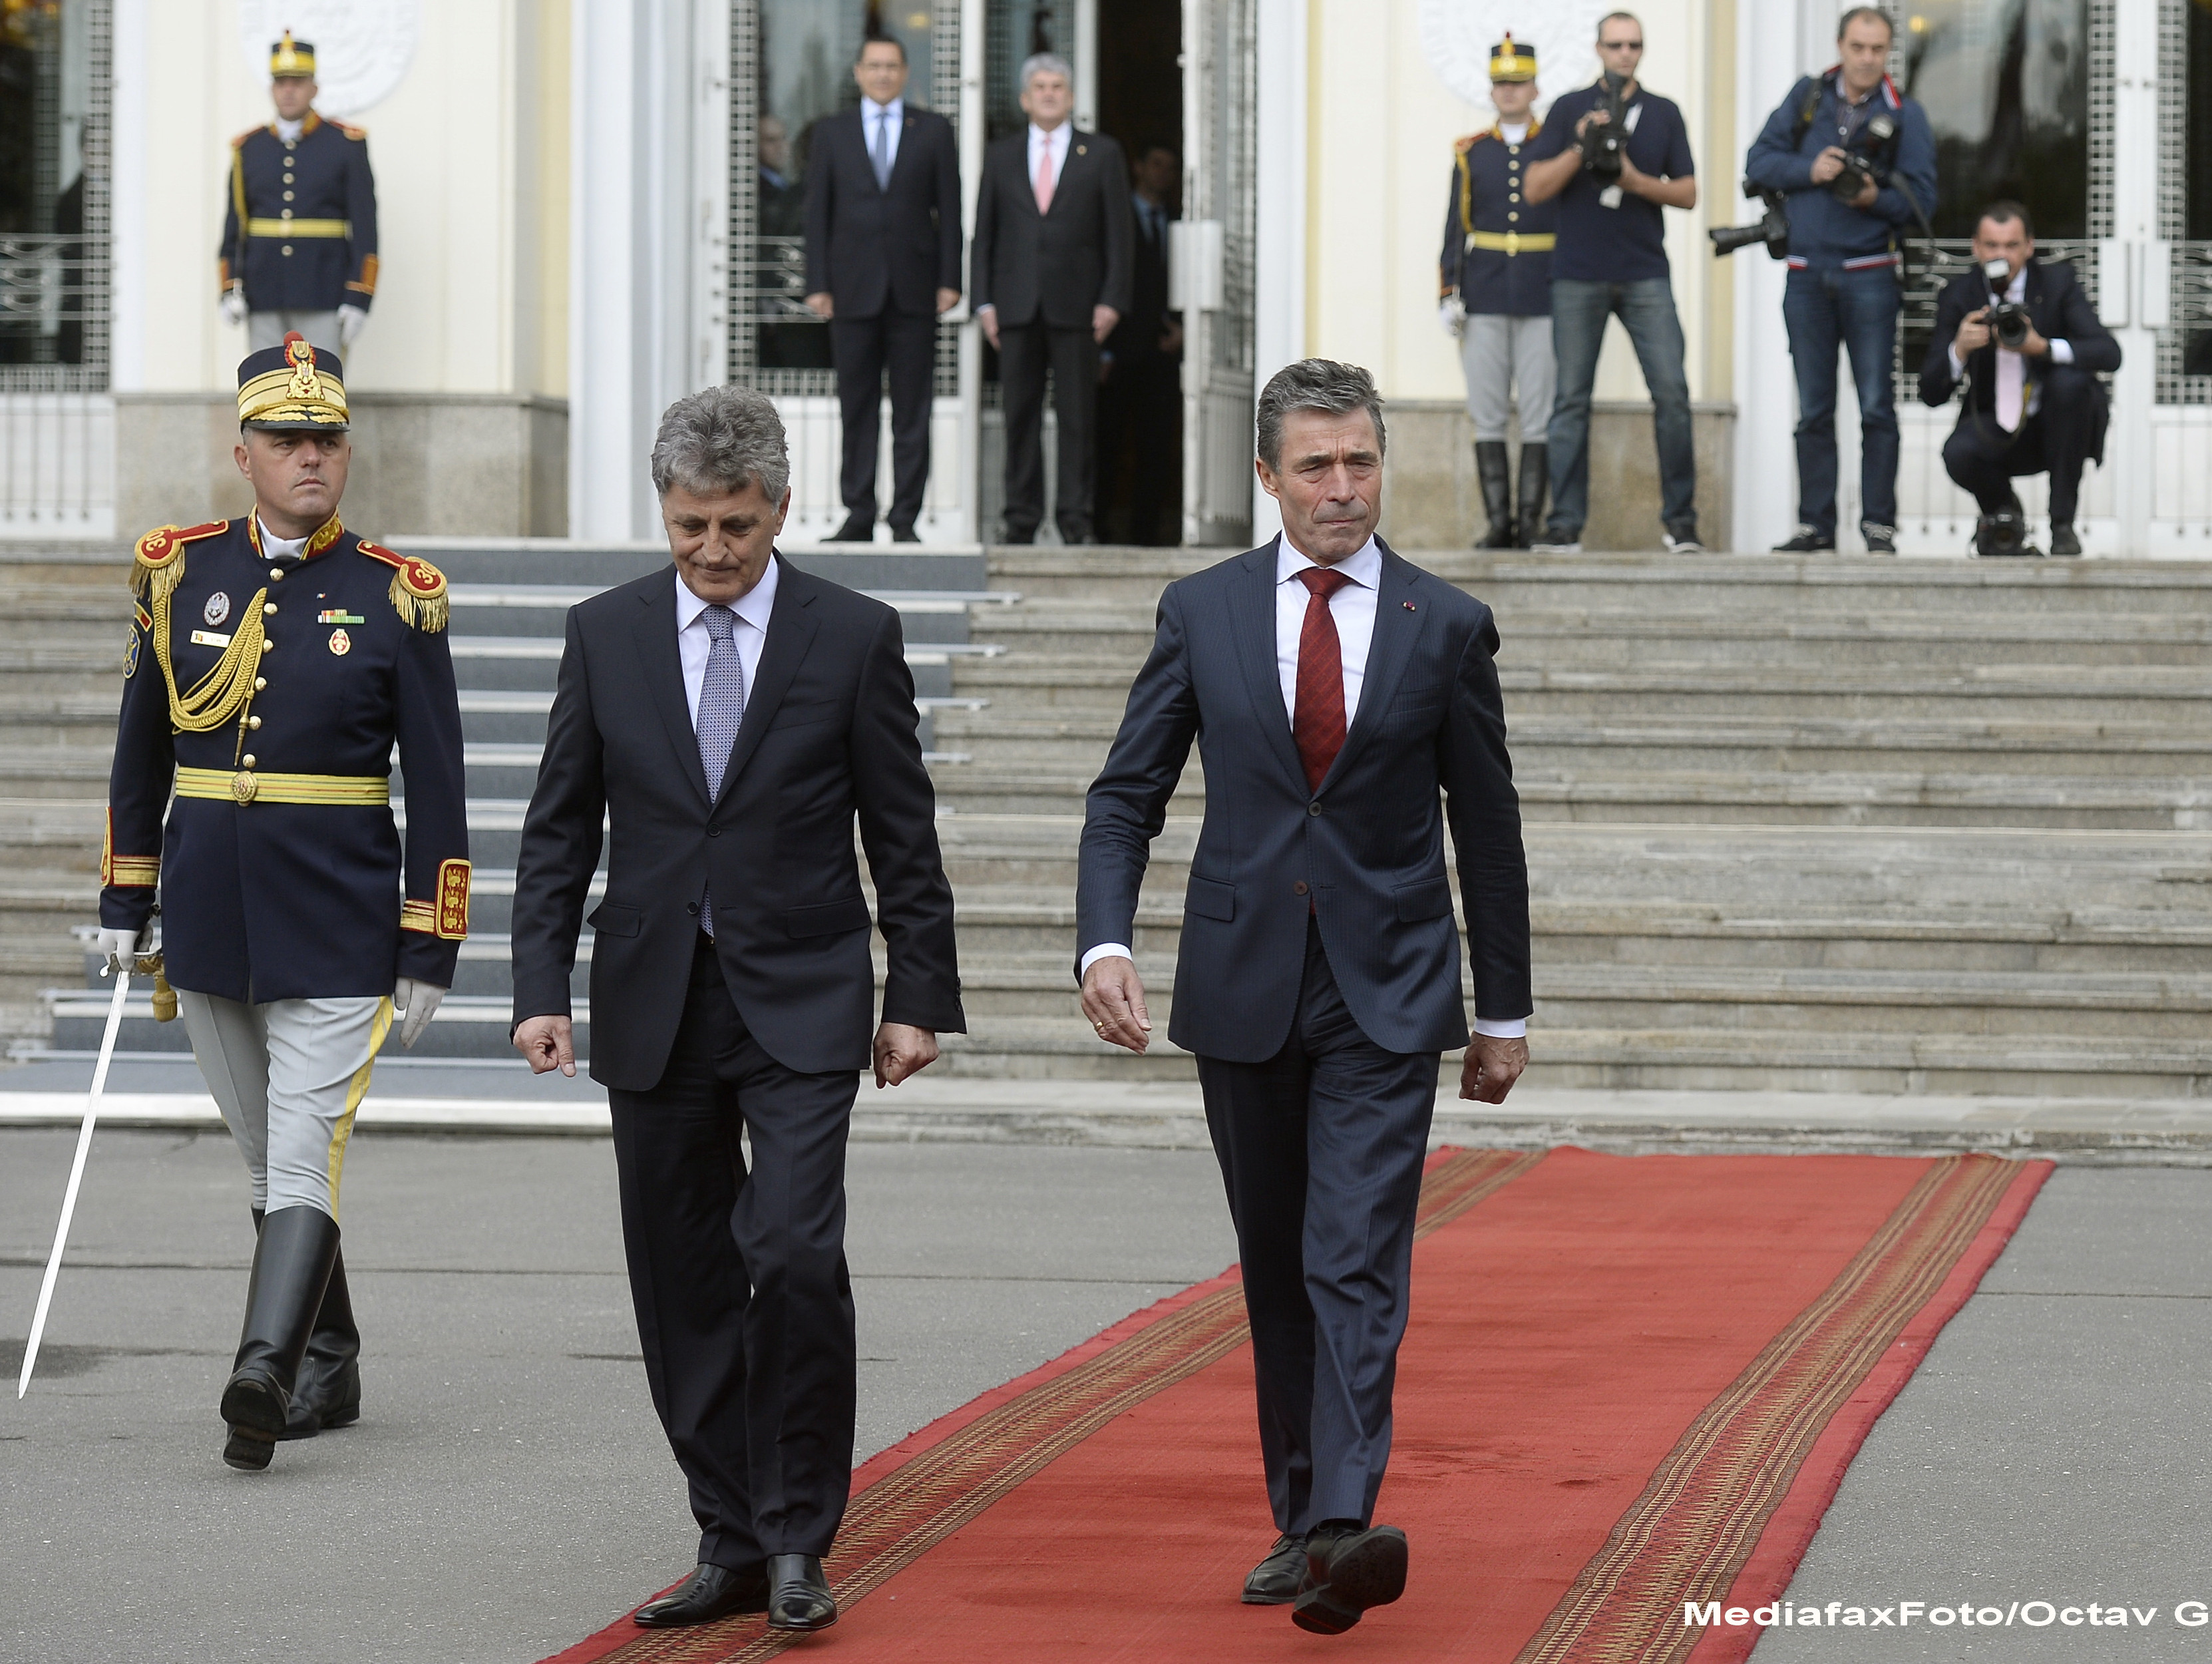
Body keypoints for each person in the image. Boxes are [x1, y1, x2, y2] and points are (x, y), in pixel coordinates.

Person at [1075, 359, 1532, 1634]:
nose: (1343, 489)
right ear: (1268, 477)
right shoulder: (1203, 611)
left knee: (1354, 1256)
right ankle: (1299, 1522)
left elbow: (1487, 834)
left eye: (1362, 463)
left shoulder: (1446, 625)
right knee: (1278, 1266)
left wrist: (1506, 1009)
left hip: (1390, 990)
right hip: (1242, 984)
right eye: (1318, 467)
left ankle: (1342, 1524)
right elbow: (1126, 798)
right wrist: (1101, 943)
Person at [509, 386, 964, 1633]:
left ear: (780, 511)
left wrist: (919, 991)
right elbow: (560, 831)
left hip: (806, 996)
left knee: (796, 1255)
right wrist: (537, 989)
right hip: (654, 999)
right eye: (691, 525)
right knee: (682, 1276)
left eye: (738, 528)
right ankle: (732, 1537)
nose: (713, 553)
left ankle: (805, 1536)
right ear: (664, 509)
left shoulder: (853, 635)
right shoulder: (603, 634)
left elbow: (902, 832)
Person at [100, 333, 466, 1470]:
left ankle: (263, 1369)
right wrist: (127, 900)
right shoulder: (180, 571)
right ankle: (332, 1355)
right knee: (268, 1160)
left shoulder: (395, 597)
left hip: (338, 916)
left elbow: (441, 784)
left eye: (327, 440)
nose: (311, 457)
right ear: (244, 450)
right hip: (210, 910)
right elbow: (141, 753)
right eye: (287, 440)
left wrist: (429, 941)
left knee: (306, 1153)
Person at [1744, 5, 1938, 554]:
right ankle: (1816, 526)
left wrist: (1872, 195)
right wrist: (1814, 171)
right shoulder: (1808, 97)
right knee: (1814, 410)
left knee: (1877, 406)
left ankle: (1878, 526)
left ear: (1887, 53)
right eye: (1858, 47)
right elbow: (1758, 162)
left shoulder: (1906, 115)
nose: (1867, 59)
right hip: (1806, 275)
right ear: (1840, 46)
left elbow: (1923, 203)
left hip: (1870, 275)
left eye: (1878, 50)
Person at [1521, 11, 1702, 554]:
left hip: (1645, 272)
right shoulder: (1570, 107)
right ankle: (1565, 524)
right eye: (1616, 45)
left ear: (1641, 51)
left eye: (1634, 45)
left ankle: (1682, 524)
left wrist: (1632, 179)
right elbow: (1534, 188)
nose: (1625, 54)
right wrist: (1581, 146)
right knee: (1570, 401)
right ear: (1598, 48)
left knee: (1672, 393)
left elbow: (1689, 192)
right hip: (1578, 273)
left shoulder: (1665, 112)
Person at [801, 35, 963, 542]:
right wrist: (817, 283)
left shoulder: (933, 130)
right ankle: (859, 513)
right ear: (858, 73)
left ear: (905, 73)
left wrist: (950, 279)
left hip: (915, 291)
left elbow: (951, 211)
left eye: (892, 66)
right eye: (874, 66)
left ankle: (906, 517)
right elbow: (816, 213)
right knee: (858, 406)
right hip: (850, 291)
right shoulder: (831, 133)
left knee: (913, 410)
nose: (883, 74)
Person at [972, 53, 1132, 545]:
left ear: (1071, 96)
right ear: (1024, 98)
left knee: (1077, 419)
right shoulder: (1000, 155)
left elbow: (1119, 235)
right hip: (1016, 306)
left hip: (1079, 308)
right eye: (1039, 86)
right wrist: (984, 302)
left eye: (1057, 86)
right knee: (1019, 416)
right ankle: (1021, 519)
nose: (1047, 93)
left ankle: (1075, 518)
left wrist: (1112, 300)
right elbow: (985, 234)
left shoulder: (1101, 154)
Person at [1917, 202, 2120, 558]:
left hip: (2056, 426)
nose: (2002, 255)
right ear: (1976, 248)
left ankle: (2062, 526)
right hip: (1994, 427)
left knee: (2070, 386)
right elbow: (1930, 392)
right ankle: (2004, 513)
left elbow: (2108, 353)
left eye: (2011, 246)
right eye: (1992, 246)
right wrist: (1959, 350)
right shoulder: (1960, 294)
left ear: (2029, 246)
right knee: (1958, 453)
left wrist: (2041, 347)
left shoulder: (2058, 283)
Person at [1441, 35, 1557, 549]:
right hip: (1485, 291)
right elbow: (1454, 227)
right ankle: (1497, 522)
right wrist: (1449, 290)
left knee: (1539, 409)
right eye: (1501, 83)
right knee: (1487, 408)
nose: (1509, 91)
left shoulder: (1553, 148)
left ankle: (1529, 521)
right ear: (1491, 90)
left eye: (1518, 82)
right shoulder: (1472, 152)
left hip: (1543, 292)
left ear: (1534, 87)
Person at [217, 33, 379, 355]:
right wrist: (229, 287)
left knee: (319, 396)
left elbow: (365, 229)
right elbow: (235, 229)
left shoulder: (345, 146)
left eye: (298, 82)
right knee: (265, 395)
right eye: (281, 82)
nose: (288, 90)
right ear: (271, 89)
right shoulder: (248, 149)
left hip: (324, 291)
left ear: (314, 88)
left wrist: (360, 296)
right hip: (262, 291)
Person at [1098, 144, 1185, 545]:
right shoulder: (1115, 217)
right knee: (1107, 442)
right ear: (1138, 166)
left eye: (1170, 167)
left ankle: (1146, 531)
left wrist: (1185, 331)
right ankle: (1097, 526)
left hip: (1164, 354)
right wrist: (1102, 349)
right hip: (1117, 352)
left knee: (1156, 445)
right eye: (1155, 164)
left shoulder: (1179, 221)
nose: (1162, 174)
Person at [756, 114, 832, 371]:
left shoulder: (793, 196)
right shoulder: (789, 200)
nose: (781, 148)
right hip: (797, 313)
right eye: (770, 141)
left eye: (784, 139)